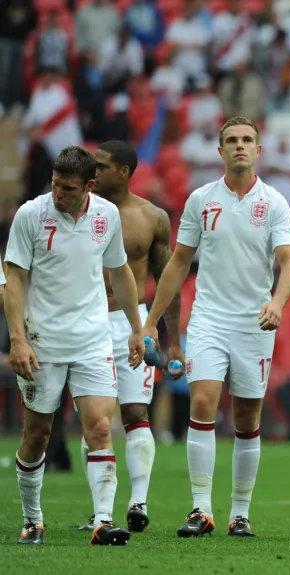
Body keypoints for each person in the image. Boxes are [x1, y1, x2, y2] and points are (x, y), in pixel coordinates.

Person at [142, 117, 290, 538]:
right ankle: (200, 509)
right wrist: (152, 320)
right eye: (231, 140)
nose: (240, 146)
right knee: (202, 403)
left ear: (259, 149)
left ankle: (240, 513)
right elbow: (178, 262)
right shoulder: (200, 200)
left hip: (254, 322)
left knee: (247, 417)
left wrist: (277, 301)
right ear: (220, 150)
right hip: (209, 318)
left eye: (247, 140)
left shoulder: (276, 203)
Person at [6, 145, 146, 546]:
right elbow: (13, 279)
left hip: (92, 338)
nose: (58, 193)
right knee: (38, 433)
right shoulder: (31, 215)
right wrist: (17, 339)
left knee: (101, 427)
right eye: (55, 184)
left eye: (67, 188)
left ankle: (103, 521)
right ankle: (33, 519)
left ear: (89, 185)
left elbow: (119, 271)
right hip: (42, 342)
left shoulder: (107, 216)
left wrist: (136, 328)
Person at [76, 140, 184, 534]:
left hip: (131, 323)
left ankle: (138, 502)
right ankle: (99, 510)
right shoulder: (75, 210)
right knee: (95, 418)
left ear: (123, 171)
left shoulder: (152, 217)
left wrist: (172, 339)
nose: (94, 171)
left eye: (101, 166)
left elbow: (165, 278)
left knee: (136, 413)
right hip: (85, 321)